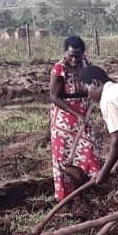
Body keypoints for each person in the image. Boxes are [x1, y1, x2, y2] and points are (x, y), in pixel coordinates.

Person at [48, 35, 99, 200]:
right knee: (63, 156)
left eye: (77, 55)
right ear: (65, 53)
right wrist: (76, 114)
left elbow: (95, 84)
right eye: (71, 55)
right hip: (64, 116)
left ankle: (89, 189)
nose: (74, 59)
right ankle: (66, 195)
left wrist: (90, 104)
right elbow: (54, 97)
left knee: (88, 150)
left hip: (85, 111)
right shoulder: (58, 68)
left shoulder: (86, 64)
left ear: (83, 53)